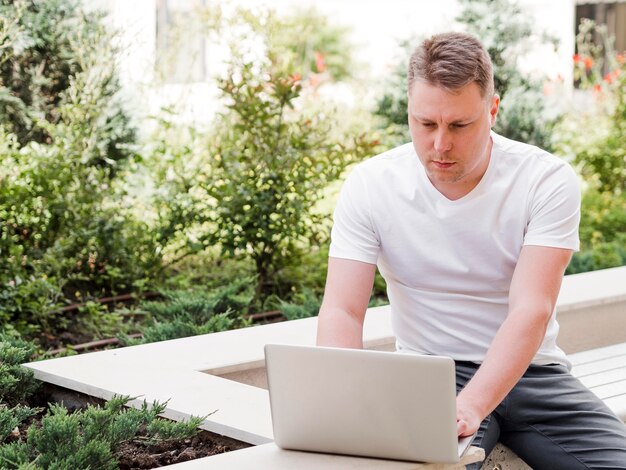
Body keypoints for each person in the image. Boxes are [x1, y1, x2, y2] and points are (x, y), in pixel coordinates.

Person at [316, 31, 626, 469]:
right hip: (430, 376)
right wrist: (342, 397)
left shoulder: (545, 180)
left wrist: (474, 404)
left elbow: (531, 310)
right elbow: (343, 311)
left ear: (492, 110)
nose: (440, 145)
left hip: (533, 374)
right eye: (425, 124)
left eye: (459, 125)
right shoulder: (371, 186)